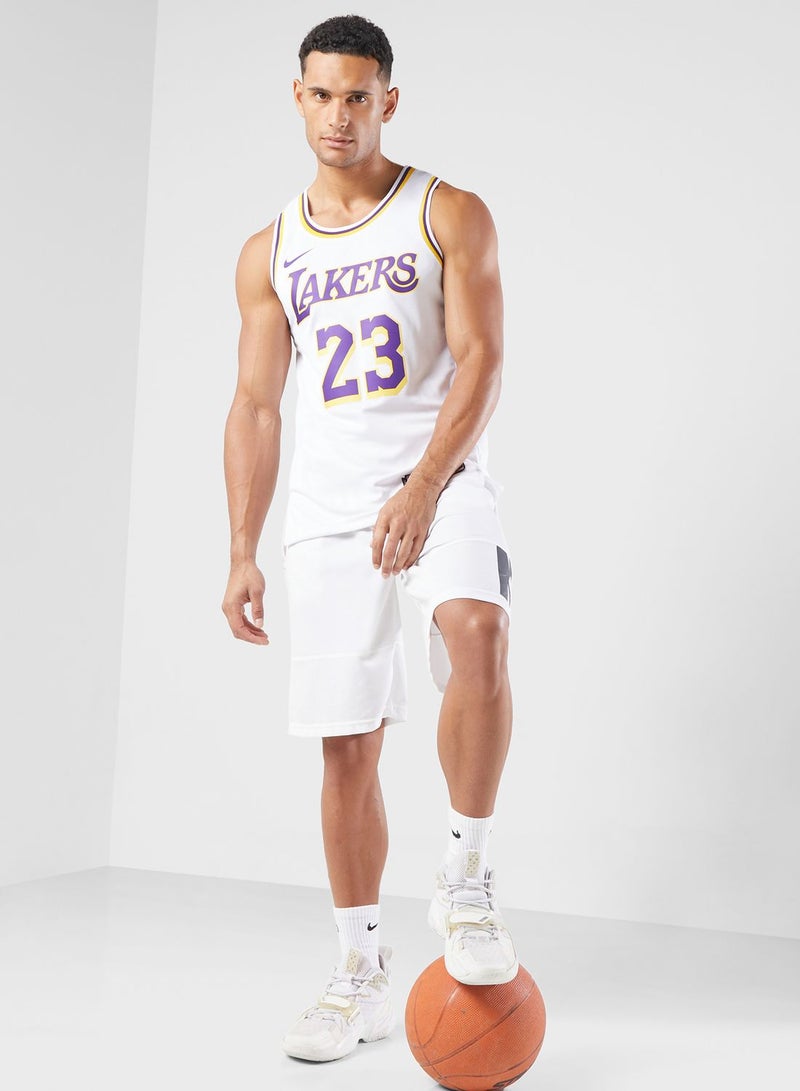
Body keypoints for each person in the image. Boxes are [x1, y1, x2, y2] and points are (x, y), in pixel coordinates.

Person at [221, 13, 517, 1065]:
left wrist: (424, 486)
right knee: (347, 745)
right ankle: (358, 972)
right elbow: (257, 405)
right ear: (296, 98)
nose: (338, 115)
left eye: (357, 96)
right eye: (321, 95)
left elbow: (482, 360)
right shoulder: (270, 250)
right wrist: (242, 547)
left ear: (388, 100)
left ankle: (465, 875)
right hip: (327, 508)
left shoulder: (447, 211)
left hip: (439, 479)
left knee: (477, 630)